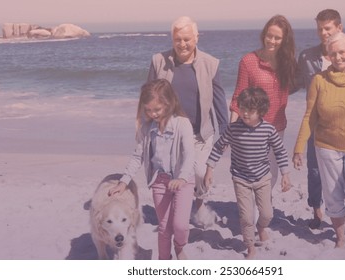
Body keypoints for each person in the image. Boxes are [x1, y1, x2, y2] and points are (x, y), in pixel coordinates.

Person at [292, 32, 345, 248]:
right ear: (328, 56)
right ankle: (339, 238)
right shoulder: (319, 80)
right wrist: (298, 148)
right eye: (333, 53)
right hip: (326, 146)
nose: (338, 57)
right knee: (333, 196)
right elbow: (310, 116)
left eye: (342, 52)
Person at [147, 16, 229, 224]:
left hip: (201, 133)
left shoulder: (211, 64)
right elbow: (149, 96)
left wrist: (226, 131)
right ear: (172, 39)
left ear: (196, 38)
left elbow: (219, 100)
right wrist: (144, 125)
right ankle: (178, 209)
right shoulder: (159, 61)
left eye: (187, 39)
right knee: (174, 173)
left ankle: (200, 204)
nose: (182, 44)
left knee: (200, 172)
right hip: (171, 133)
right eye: (177, 39)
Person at [294, 9, 345, 229]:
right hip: (317, 125)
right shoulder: (306, 56)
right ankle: (317, 211)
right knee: (315, 171)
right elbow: (294, 84)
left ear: (339, 28)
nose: (323, 33)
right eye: (320, 29)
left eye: (328, 28)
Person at [109, 79, 195, 259]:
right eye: (148, 110)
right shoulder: (147, 128)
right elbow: (137, 156)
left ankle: (179, 246)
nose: (152, 114)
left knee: (180, 225)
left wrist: (182, 178)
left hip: (183, 181)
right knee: (164, 227)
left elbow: (189, 155)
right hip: (160, 181)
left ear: (169, 104)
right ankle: (164, 259)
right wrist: (124, 182)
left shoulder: (182, 124)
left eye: (157, 109)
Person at [204, 87, 292, 259]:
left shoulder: (268, 129)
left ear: (260, 111)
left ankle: (261, 227)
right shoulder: (233, 129)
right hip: (240, 178)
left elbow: (280, 151)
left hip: (263, 177)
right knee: (246, 216)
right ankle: (250, 246)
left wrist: (285, 173)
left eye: (249, 111)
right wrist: (209, 168)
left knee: (267, 214)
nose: (244, 113)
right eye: (242, 109)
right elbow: (218, 147)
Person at [229, 15, 297, 188]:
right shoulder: (248, 61)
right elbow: (237, 98)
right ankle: (251, 213)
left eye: (277, 38)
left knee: (272, 175)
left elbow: (296, 85)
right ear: (264, 35)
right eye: (269, 35)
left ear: (284, 40)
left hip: (277, 127)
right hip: (251, 129)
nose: (272, 41)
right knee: (251, 175)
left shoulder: (288, 62)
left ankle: (263, 213)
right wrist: (232, 131)